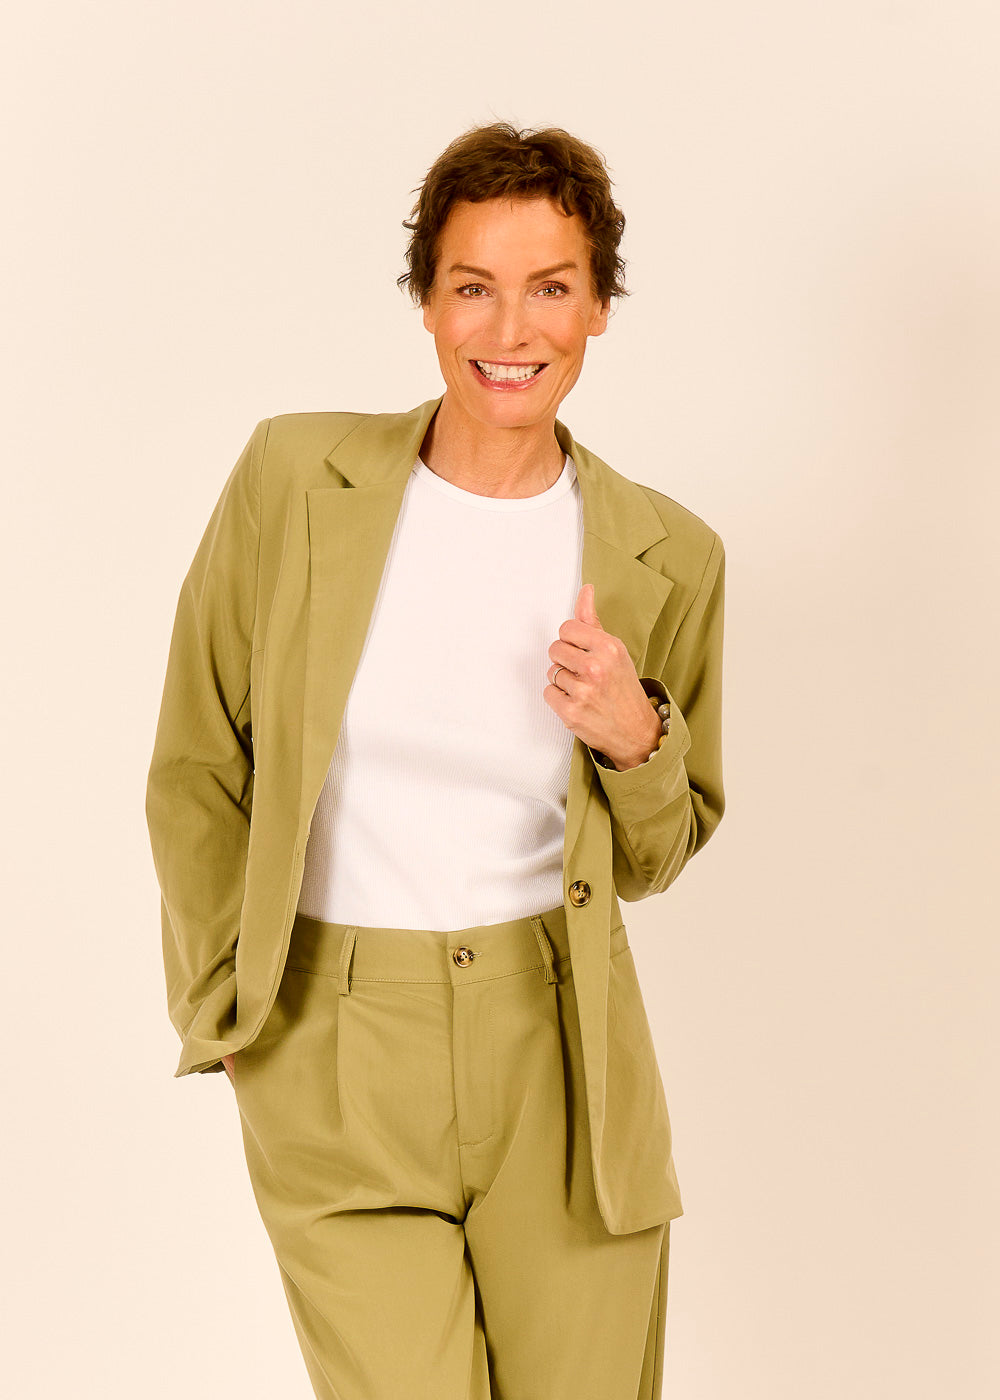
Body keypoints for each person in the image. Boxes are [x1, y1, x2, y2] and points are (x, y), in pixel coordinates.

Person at [145, 121, 726, 1400]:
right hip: (333, 1038)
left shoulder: (665, 553)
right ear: (425, 299)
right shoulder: (294, 478)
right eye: (473, 286)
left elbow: (659, 853)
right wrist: (226, 1008)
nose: (510, 329)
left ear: (599, 305)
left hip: (560, 1048)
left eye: (551, 287)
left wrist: (635, 736)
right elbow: (198, 755)